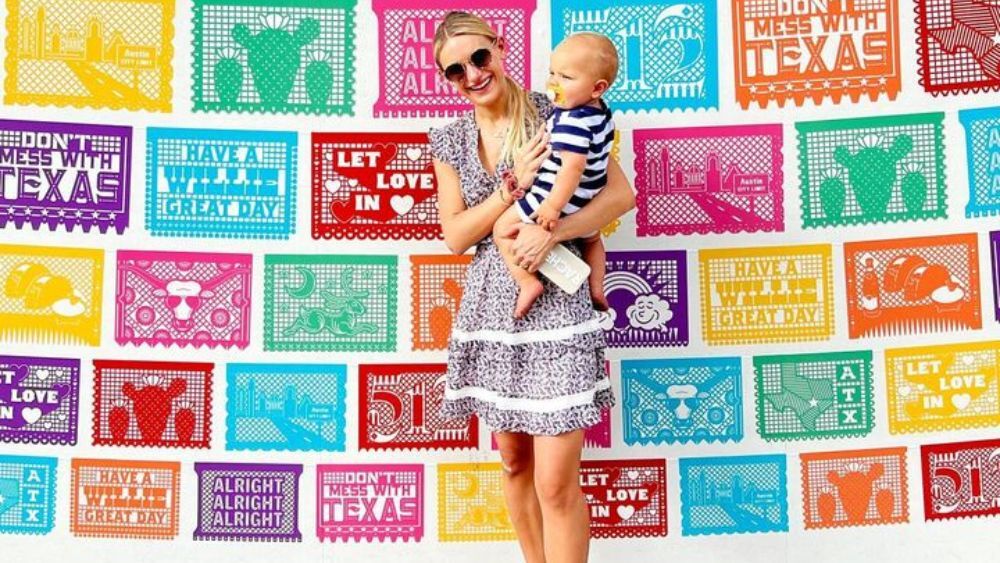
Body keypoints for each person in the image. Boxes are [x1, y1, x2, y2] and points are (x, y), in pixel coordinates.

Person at [428, 11, 635, 563]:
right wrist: (510, 187)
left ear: (498, 48)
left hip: (558, 301)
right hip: (493, 309)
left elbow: (620, 196)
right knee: (515, 462)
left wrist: (553, 233)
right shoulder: (448, 141)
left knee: (555, 482)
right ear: (447, 80)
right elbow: (455, 235)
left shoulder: (557, 109)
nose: (472, 74)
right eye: (455, 70)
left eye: (479, 57)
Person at [493, 32, 618, 319]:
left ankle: (527, 282)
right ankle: (597, 287)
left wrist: (551, 206)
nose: (553, 83)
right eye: (552, 73)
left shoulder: (572, 122)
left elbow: (571, 168)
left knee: (502, 229)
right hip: (589, 200)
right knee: (592, 241)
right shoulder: (600, 114)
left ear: (597, 88)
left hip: (556, 195)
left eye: (566, 77)